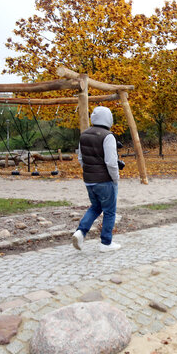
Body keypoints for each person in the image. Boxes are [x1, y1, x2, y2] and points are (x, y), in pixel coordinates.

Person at [72, 106, 122, 252]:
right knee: (110, 211)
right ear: (109, 118)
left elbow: (81, 158)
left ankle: (80, 232)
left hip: (89, 180)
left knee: (96, 207)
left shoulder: (84, 135)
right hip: (105, 180)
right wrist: (115, 178)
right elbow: (111, 162)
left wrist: (89, 172)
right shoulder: (108, 136)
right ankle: (106, 243)